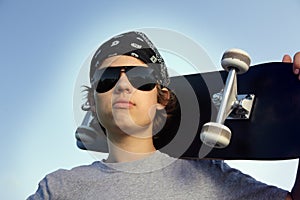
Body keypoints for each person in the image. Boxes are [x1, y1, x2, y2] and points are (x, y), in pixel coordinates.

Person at [28, 31, 300, 200]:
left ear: (161, 99)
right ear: (94, 101)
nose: (123, 85)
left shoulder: (206, 177)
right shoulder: (59, 187)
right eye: (107, 78)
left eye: (140, 78)